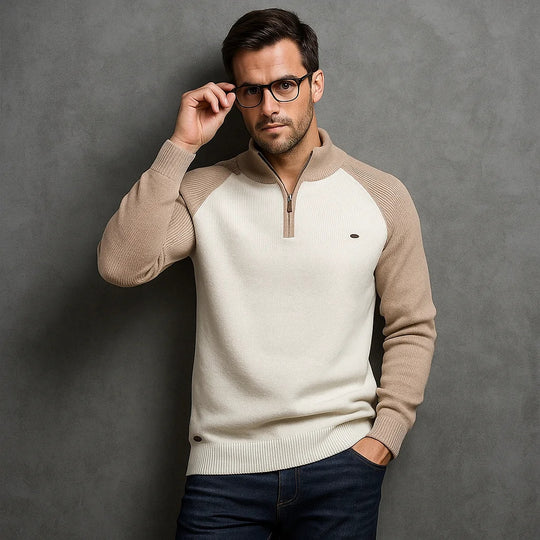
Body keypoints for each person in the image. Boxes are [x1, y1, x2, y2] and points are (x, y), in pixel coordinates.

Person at [97, 8, 436, 540]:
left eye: (284, 85)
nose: (269, 106)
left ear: (315, 84)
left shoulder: (382, 195)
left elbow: (411, 324)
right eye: (251, 91)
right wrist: (181, 148)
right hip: (222, 473)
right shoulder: (203, 191)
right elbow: (121, 265)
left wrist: (382, 440)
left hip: (343, 465)